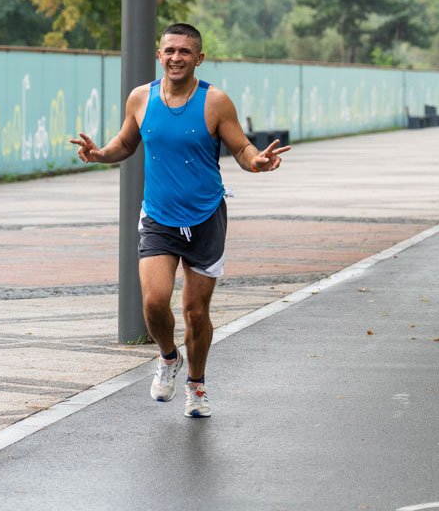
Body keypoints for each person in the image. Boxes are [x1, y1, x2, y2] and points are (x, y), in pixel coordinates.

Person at [69, 23, 289, 419]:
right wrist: (100, 154)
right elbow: (126, 143)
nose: (176, 57)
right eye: (169, 50)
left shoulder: (215, 102)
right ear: (159, 54)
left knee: (196, 312)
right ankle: (169, 358)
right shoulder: (140, 98)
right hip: (159, 216)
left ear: (199, 58)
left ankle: (197, 385)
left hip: (206, 217)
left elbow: (240, 148)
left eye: (185, 52)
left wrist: (256, 162)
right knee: (154, 303)